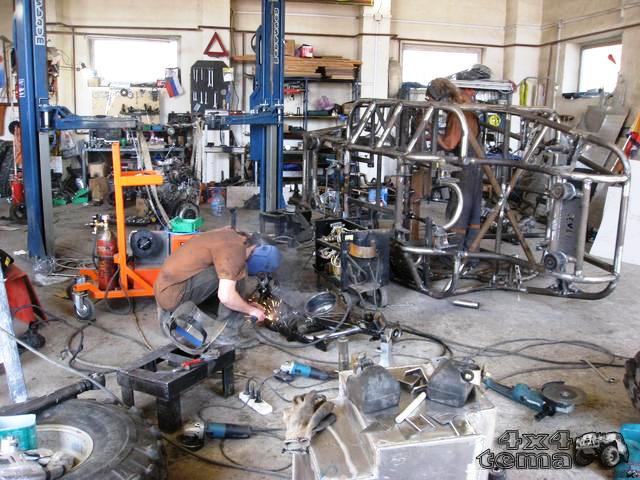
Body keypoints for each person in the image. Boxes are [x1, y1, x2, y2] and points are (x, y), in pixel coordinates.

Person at [154, 226, 282, 346]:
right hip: (173, 295)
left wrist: (245, 305)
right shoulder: (235, 250)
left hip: (164, 290)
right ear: (256, 250)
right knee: (236, 274)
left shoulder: (233, 235)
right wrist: (251, 310)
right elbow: (226, 297)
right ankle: (228, 336)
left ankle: (192, 316)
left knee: (227, 274)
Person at [426, 78, 482, 250]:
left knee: (459, 210)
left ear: (442, 98)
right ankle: (471, 253)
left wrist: (429, 129)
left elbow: (449, 143)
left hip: (467, 167)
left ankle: (454, 253)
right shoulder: (465, 107)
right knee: (472, 211)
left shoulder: (457, 113)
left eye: (431, 100)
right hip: (475, 164)